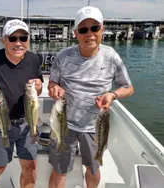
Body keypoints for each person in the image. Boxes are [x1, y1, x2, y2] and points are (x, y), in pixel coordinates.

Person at [47, 6, 134, 188]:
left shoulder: (111, 56)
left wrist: (112, 94)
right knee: (59, 169)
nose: (90, 34)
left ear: (102, 29)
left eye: (95, 28)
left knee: (93, 168)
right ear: (75, 33)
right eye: (83, 29)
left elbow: (128, 87)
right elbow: (52, 82)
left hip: (95, 125)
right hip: (65, 123)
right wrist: (54, 88)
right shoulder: (63, 56)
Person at [0, 19, 43, 188]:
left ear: (28, 40)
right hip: (0, 122)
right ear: (4, 40)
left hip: (27, 123)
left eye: (23, 38)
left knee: (30, 166)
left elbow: (38, 90)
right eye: (13, 39)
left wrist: (39, 87)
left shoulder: (34, 59)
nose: (18, 43)